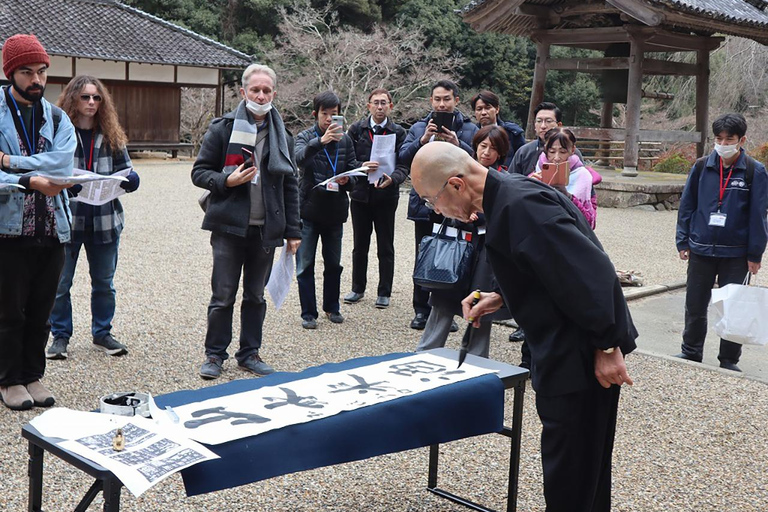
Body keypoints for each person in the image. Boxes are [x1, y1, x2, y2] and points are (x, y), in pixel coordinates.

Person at [411, 141, 637, 512]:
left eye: (430, 199)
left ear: (455, 184)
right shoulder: (510, 196)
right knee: (580, 468)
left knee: (573, 472)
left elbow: (591, 274)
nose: (435, 210)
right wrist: (499, 296)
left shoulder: (522, 208)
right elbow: (546, 271)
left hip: (578, 355)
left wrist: (609, 346)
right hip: (560, 349)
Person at [191, 63, 301, 380]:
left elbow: (291, 184)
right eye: (255, 89)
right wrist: (228, 181)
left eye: (267, 90)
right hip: (229, 224)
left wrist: (294, 230)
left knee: (255, 295)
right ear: (243, 92)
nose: (261, 95)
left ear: (274, 94)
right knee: (223, 295)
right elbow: (199, 173)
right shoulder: (223, 128)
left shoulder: (283, 136)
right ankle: (214, 355)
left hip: (266, 227)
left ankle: (249, 353)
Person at [0, 34, 77, 410]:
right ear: (11, 72)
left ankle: (33, 374)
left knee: (42, 310)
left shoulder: (58, 116)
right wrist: (26, 181)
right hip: (7, 229)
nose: (37, 80)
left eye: (42, 72)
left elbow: (64, 163)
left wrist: (10, 163)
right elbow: (51, 166)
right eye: (27, 72)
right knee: (8, 310)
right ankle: (9, 379)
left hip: (53, 226)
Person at [46, 75, 140, 360]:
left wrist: (130, 180)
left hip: (105, 220)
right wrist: (65, 184)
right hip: (67, 220)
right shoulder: (59, 133)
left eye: (96, 98)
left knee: (104, 283)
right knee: (61, 284)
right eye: (86, 97)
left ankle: (102, 333)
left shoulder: (110, 133)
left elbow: (127, 168)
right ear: (73, 98)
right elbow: (47, 171)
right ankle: (60, 336)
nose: (91, 102)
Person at [675, 113, 768, 372]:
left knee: (733, 306)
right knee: (695, 302)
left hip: (736, 252)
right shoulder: (702, 166)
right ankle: (691, 350)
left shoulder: (754, 171)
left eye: (729, 139)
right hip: (701, 246)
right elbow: (687, 206)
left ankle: (728, 358)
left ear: (742, 140)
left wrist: (755, 254)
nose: (723, 143)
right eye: (719, 138)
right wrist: (683, 240)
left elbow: (759, 216)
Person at [415, 128, 512, 357]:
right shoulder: (455, 173)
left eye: (493, 148)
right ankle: (426, 352)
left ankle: (476, 358)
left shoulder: (502, 180)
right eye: (483, 146)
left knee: (480, 304)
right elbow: (440, 206)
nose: (487, 152)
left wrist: (479, 217)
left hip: (486, 252)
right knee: (443, 298)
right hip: (456, 245)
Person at [295, 91, 377, 329]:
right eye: (325, 114)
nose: (330, 119)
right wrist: (320, 142)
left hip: (335, 210)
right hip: (309, 209)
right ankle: (308, 313)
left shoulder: (345, 140)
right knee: (305, 264)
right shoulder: (305, 136)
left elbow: (352, 171)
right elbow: (298, 159)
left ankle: (332, 307)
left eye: (334, 114)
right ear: (315, 114)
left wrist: (348, 180)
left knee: (334, 264)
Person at [399, 79, 478, 330]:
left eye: (447, 99)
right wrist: (422, 141)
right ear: (431, 101)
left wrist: (458, 144)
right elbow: (402, 158)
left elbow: (479, 160)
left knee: (453, 256)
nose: (442, 104)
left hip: (456, 204)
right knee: (424, 255)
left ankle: (446, 311)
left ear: (456, 100)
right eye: (437, 99)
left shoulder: (469, 129)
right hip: (425, 202)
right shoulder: (419, 127)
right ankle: (421, 310)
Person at [507, 101, 584, 344]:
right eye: (539, 121)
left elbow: (586, 212)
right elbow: (513, 184)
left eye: (548, 121)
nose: (542, 125)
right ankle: (524, 325)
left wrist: (564, 191)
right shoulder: (525, 152)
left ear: (558, 124)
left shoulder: (576, 163)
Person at [344, 88, 408, 309]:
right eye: (376, 103)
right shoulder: (356, 129)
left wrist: (395, 179)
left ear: (391, 106)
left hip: (386, 194)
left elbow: (404, 164)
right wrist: (360, 166)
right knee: (359, 245)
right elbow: (347, 160)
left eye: (384, 103)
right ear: (368, 105)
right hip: (361, 194)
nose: (380, 107)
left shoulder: (398, 132)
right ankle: (357, 288)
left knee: (385, 244)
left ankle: (384, 291)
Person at [529, 127, 596, 229]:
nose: (556, 158)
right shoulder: (536, 173)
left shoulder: (583, 177)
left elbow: (590, 222)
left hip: (570, 235)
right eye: (552, 151)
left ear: (572, 150)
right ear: (546, 148)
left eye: (563, 152)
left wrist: (568, 197)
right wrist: (529, 187)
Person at [470, 90, 525, 168]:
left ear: (497, 109)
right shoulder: (470, 133)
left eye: (487, 108)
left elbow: (523, 158)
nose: (483, 112)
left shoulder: (511, 133)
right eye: (479, 109)